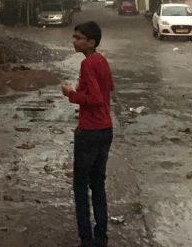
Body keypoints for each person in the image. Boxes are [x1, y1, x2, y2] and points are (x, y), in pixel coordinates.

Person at [60, 21, 115, 247]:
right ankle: (101, 235)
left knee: (81, 186)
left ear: (91, 42)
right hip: (105, 129)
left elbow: (95, 99)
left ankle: (86, 238)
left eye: (79, 38)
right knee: (98, 184)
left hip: (89, 131)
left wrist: (71, 94)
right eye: (74, 37)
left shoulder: (88, 64)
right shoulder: (101, 61)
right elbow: (107, 89)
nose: (75, 41)